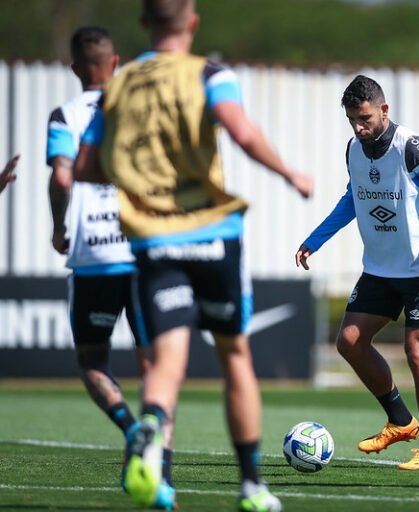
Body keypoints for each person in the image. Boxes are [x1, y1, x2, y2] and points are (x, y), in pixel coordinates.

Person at [73, 1, 313, 510]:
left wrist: (140, 175)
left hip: (154, 240)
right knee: (235, 355)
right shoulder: (210, 73)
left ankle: (151, 425)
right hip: (212, 233)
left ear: (143, 25)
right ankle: (251, 487)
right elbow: (241, 131)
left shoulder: (120, 85)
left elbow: (87, 167)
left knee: (169, 356)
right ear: (193, 22)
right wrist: (290, 173)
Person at [46, 26, 177, 509]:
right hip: (143, 254)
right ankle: (163, 482)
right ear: (116, 62)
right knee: (157, 370)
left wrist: (60, 227)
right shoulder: (140, 112)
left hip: (94, 257)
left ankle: (128, 428)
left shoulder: (66, 115)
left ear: (76, 68)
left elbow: (62, 179)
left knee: (92, 362)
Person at [295, 74, 419, 471]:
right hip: (380, 269)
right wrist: (316, 238)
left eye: (364, 118)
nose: (359, 128)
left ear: (384, 110)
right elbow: (353, 198)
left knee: (417, 353)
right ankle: (400, 421)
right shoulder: (354, 148)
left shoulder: (413, 149)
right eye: (352, 120)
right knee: (349, 341)